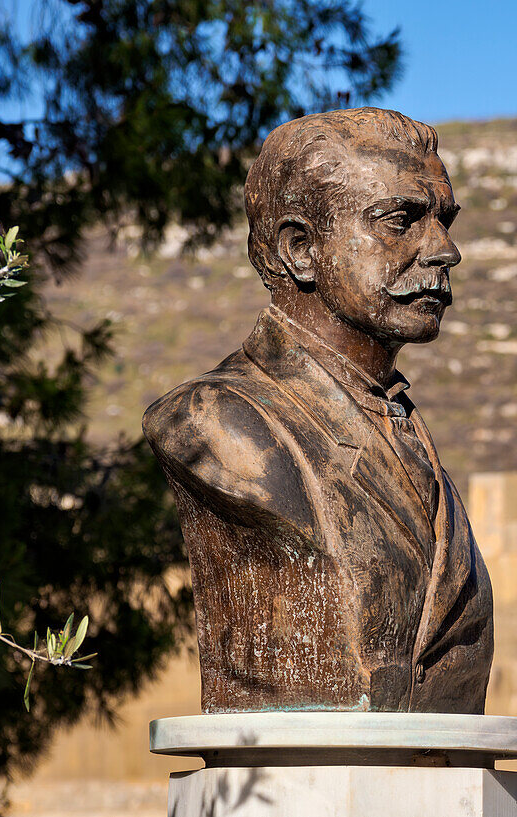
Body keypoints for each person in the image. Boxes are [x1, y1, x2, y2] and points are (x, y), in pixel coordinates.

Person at [142, 108, 493, 714]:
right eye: (401, 220)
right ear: (299, 249)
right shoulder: (214, 421)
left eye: (444, 221)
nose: (445, 251)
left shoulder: (407, 428)